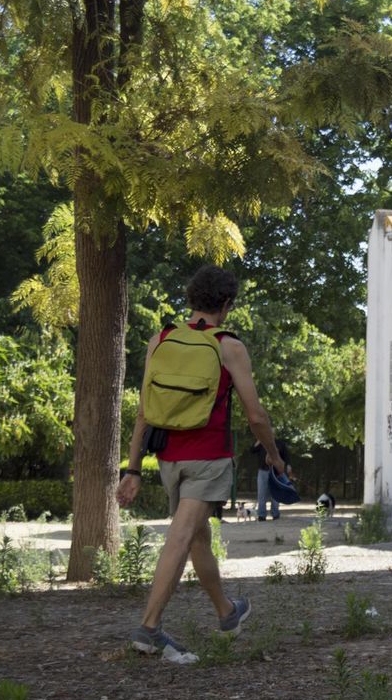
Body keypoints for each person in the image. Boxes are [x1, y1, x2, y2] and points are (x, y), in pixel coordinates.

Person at [117, 265, 286, 664]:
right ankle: (149, 629)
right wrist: (274, 456)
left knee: (195, 538)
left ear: (192, 299)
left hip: (168, 458)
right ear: (226, 305)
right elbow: (256, 415)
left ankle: (227, 613)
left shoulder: (161, 339)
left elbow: (144, 411)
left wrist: (134, 468)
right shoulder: (228, 346)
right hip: (208, 457)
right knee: (180, 538)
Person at [249, 437, 291, 520]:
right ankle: (261, 515)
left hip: (276, 471)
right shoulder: (261, 442)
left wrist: (289, 465)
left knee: (276, 493)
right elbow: (252, 450)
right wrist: (259, 441)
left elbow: (286, 456)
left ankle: (275, 514)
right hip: (263, 470)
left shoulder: (280, 443)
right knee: (261, 493)